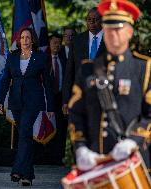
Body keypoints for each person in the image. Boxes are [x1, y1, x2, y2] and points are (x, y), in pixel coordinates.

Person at [69, 0, 151, 171]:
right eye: (107, 29)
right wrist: (81, 148)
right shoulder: (87, 69)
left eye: (117, 29)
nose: (112, 34)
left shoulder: (143, 68)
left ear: (129, 32)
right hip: (95, 163)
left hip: (132, 165)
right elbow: (76, 113)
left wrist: (133, 140)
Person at [0, 27, 54, 186]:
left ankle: (16, 169)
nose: (25, 40)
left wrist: (50, 107)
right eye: (22, 37)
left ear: (32, 40)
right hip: (15, 102)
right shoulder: (12, 57)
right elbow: (5, 80)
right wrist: (0, 101)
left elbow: (48, 84)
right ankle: (27, 175)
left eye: (28, 37)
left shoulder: (40, 57)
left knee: (25, 133)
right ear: (19, 40)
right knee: (25, 136)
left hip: (33, 102)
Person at [63, 7, 106, 115]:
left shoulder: (110, 40)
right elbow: (69, 72)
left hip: (104, 95)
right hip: (80, 95)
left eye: (95, 19)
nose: (92, 22)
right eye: (89, 19)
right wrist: (66, 100)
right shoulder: (77, 41)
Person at [48, 32, 68, 165]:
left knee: (61, 129)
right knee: (48, 127)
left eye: (59, 43)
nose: (57, 45)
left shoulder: (64, 59)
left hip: (61, 98)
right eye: (54, 43)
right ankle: (46, 157)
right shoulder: (44, 60)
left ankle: (58, 158)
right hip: (48, 99)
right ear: (49, 44)